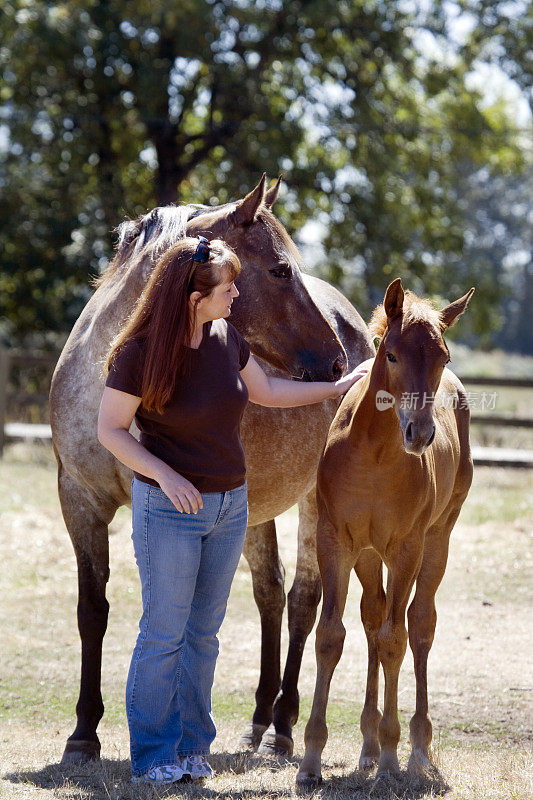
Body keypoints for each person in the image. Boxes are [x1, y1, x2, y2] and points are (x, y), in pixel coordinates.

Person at [97, 236, 369, 785]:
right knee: (163, 634)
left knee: (203, 634)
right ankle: (153, 756)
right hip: (169, 509)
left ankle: (195, 748)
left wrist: (334, 387)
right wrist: (164, 474)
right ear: (194, 296)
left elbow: (266, 391)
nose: (237, 294)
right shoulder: (140, 353)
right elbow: (110, 430)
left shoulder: (227, 337)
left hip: (229, 507)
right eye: (228, 287)